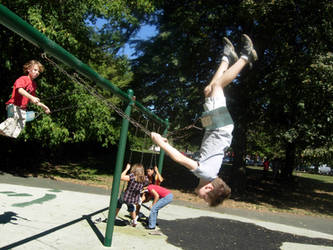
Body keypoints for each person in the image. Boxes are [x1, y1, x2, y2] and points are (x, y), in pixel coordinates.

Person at [151, 34, 258, 207]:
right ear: (208, 188)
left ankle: (227, 57)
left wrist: (166, 142)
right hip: (219, 128)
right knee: (217, 87)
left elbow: (185, 155)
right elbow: (179, 158)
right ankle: (247, 56)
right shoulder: (206, 173)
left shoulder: (207, 175)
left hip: (213, 128)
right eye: (204, 197)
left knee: (208, 90)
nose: (200, 197)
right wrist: (160, 144)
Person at [0, 60, 51, 138]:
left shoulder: (34, 84)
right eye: (35, 70)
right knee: (12, 120)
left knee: (21, 124)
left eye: (39, 71)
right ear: (28, 69)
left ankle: (6, 133)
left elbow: (32, 99)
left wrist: (43, 106)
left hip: (22, 109)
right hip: (14, 105)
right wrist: (32, 97)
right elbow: (19, 90)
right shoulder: (23, 79)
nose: (37, 72)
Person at [115, 163, 148, 227]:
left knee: (118, 204)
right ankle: (134, 220)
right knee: (131, 208)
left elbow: (121, 177)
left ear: (135, 170)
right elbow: (146, 184)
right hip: (134, 198)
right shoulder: (145, 178)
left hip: (126, 196)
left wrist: (126, 169)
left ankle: (113, 217)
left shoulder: (132, 176)